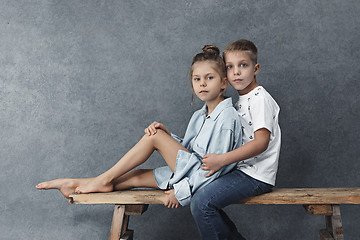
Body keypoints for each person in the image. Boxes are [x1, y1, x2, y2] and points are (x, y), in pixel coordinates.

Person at [36, 45, 242, 208]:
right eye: (197, 79)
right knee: (134, 176)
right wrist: (169, 136)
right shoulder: (200, 115)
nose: (202, 84)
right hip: (189, 171)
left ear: (224, 83)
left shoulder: (227, 117)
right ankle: (75, 183)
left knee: (154, 137)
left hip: (197, 179)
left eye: (209, 78)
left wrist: (181, 193)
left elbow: (216, 169)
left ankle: (102, 179)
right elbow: (190, 149)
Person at [190, 39, 281, 240]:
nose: (236, 72)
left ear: (255, 68)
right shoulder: (241, 101)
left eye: (243, 65)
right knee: (200, 197)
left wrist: (221, 160)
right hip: (239, 171)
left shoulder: (260, 98)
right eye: (230, 67)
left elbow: (261, 143)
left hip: (256, 175)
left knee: (202, 203)